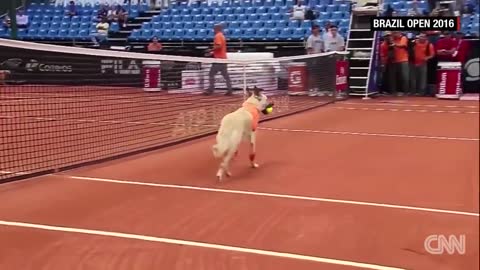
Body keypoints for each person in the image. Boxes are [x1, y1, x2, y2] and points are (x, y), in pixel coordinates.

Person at [205, 24, 233, 96]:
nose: (213, 30)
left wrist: (210, 50)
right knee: (226, 76)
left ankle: (210, 90)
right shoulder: (222, 36)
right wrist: (212, 53)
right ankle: (230, 90)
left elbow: (219, 46)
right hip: (223, 59)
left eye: (214, 29)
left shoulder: (218, 36)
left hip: (218, 60)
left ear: (216, 29)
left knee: (211, 74)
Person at [389, 31, 409, 95]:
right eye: (393, 33)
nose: (394, 34)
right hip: (395, 61)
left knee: (405, 77)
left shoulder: (403, 38)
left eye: (396, 33)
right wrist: (392, 39)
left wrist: (394, 44)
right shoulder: (393, 39)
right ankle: (397, 91)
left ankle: (406, 91)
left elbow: (402, 45)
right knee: (396, 77)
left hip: (403, 60)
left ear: (399, 33)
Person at [305, 24, 324, 96]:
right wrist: (314, 56)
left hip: (319, 58)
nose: (317, 30)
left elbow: (322, 48)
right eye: (316, 29)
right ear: (313, 30)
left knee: (317, 74)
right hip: (312, 58)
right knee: (312, 74)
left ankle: (316, 88)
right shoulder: (310, 38)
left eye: (318, 29)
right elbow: (310, 48)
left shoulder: (320, 37)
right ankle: (310, 89)